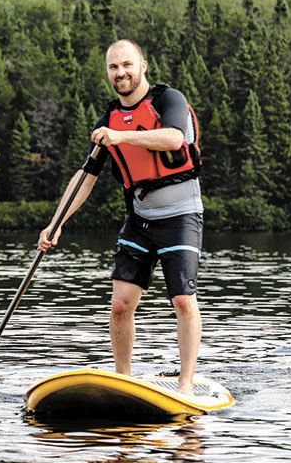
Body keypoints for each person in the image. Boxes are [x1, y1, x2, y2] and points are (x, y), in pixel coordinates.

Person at [38, 39, 205, 394]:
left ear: (143, 65)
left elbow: (174, 139)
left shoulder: (167, 100)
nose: (121, 73)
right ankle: (124, 382)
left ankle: (187, 386)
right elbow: (84, 179)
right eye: (113, 67)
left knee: (182, 300)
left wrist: (120, 136)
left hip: (181, 214)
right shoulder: (108, 120)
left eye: (127, 65)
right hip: (140, 216)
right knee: (120, 305)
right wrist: (56, 223)